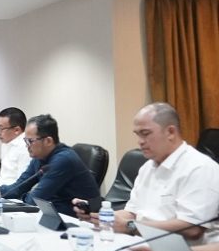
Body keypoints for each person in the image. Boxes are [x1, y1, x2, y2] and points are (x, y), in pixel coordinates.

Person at [75, 103, 219, 243]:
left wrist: (130, 226)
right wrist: (98, 216)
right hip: (143, 245)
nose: (140, 142)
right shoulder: (147, 168)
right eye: (137, 135)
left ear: (171, 132)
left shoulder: (200, 168)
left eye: (145, 134)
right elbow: (132, 213)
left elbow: (192, 229)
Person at [0, 114, 99, 216]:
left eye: (30, 141)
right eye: (26, 140)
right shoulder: (39, 157)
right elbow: (19, 186)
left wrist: (22, 197)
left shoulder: (63, 160)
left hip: (78, 219)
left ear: (48, 141)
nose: (27, 146)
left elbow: (35, 200)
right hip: (54, 214)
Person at [0, 108, 32, 187]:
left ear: (16, 130)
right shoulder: (5, 143)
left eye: (1, 129)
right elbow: (3, 176)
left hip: (12, 196)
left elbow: (22, 184)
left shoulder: (26, 147)